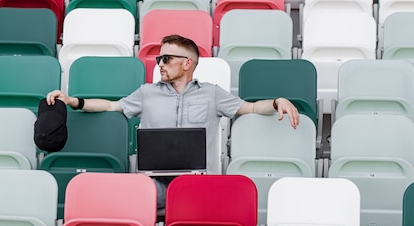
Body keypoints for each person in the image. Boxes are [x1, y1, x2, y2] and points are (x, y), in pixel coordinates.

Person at [46, 34, 301, 208]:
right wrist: (73, 101)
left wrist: (278, 101)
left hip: (199, 184)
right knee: (120, 200)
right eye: (159, 59)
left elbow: (252, 107)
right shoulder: (147, 92)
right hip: (154, 184)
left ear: (187, 63)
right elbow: (113, 105)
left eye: (166, 59)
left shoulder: (212, 92)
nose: (160, 64)